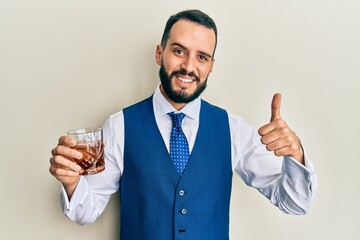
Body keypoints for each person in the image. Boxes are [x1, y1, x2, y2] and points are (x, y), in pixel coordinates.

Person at [49, 9, 317, 240]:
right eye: (179, 51)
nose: (188, 67)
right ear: (159, 53)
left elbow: (295, 204)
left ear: (211, 66)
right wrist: (72, 183)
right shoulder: (119, 126)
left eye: (201, 57)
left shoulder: (233, 130)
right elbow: (86, 211)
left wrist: (296, 156)